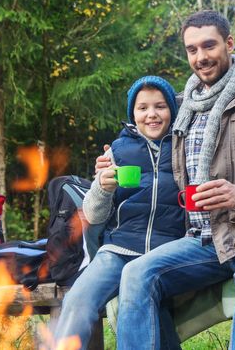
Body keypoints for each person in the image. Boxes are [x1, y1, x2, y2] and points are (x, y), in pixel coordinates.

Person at [114, 10, 235, 350]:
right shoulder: (184, 107)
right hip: (202, 239)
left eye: (209, 45)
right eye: (192, 49)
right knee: (136, 274)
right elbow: (143, 134)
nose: (200, 57)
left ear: (229, 43)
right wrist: (108, 164)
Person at [54, 76, 186, 350]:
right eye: (143, 108)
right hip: (119, 248)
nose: (151, 114)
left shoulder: (185, 145)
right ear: (132, 113)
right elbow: (92, 214)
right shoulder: (118, 150)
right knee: (78, 300)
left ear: (172, 109)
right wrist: (102, 187)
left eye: (160, 106)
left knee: (143, 301)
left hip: (167, 250)